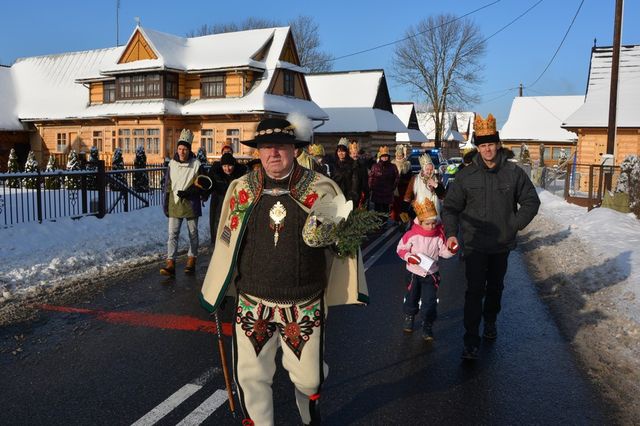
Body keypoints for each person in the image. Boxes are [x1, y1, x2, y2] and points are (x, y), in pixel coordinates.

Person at [200, 114, 368, 426]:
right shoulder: (241, 189)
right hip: (253, 300)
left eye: (281, 146)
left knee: (309, 380)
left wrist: (332, 234)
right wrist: (220, 286)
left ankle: (311, 401)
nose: (273, 153)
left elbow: (341, 244)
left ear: (295, 149)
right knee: (251, 377)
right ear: (257, 151)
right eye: (265, 147)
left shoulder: (322, 189)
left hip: (302, 301)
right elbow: (226, 240)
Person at [442, 113, 540, 360]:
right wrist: (452, 234)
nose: (487, 149)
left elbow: (531, 201)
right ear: (478, 146)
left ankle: (491, 320)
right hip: (474, 244)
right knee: (474, 291)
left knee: (495, 288)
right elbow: (451, 207)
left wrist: (513, 225)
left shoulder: (513, 173)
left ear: (498, 144)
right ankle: (471, 340)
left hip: (500, 245)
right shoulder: (466, 175)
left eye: (491, 144)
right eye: (482, 145)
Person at [396, 198, 455, 340]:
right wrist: (409, 256)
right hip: (414, 273)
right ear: (420, 222)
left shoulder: (438, 237)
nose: (431, 226)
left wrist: (451, 250)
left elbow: (443, 252)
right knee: (412, 297)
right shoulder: (412, 235)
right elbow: (400, 249)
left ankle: (427, 325)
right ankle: (409, 316)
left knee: (430, 301)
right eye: (427, 223)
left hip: (431, 274)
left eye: (434, 223)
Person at [160, 129, 205, 276]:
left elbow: (203, 184)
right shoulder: (172, 164)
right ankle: (170, 262)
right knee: (172, 233)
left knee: (193, 233)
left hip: (191, 203)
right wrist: (166, 202)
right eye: (179, 149)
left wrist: (191, 192)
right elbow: (168, 184)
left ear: (189, 149)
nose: (182, 152)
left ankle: (192, 259)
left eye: (185, 149)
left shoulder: (196, 165)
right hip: (175, 202)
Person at [207, 152, 245, 248]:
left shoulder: (240, 174)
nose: (227, 169)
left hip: (234, 206)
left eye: (230, 166)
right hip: (220, 206)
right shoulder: (217, 175)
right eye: (224, 166)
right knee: (219, 226)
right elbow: (208, 186)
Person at [403, 152, 445, 220]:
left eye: (431, 169)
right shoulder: (415, 178)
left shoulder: (436, 179)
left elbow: (442, 195)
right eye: (427, 169)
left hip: (435, 212)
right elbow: (408, 195)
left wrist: (435, 185)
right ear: (423, 169)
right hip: (419, 211)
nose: (429, 171)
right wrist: (404, 209)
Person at [368, 146, 398, 218]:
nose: (385, 158)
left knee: (386, 210)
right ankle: (377, 225)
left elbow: (396, 177)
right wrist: (371, 187)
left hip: (387, 192)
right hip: (377, 192)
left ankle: (385, 225)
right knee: (377, 210)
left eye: (386, 156)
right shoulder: (375, 166)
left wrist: (392, 188)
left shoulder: (393, 166)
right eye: (383, 156)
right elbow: (371, 177)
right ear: (380, 157)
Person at [331, 138, 361, 204]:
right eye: (339, 151)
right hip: (336, 196)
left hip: (348, 197)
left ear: (347, 152)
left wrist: (352, 198)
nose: (340, 153)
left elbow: (355, 182)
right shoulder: (334, 165)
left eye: (343, 151)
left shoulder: (353, 165)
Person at [391, 144, 412, 222]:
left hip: (403, 188)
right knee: (395, 205)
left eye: (401, 155)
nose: (399, 157)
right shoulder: (392, 163)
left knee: (403, 205)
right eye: (398, 155)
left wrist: (403, 181)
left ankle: (403, 220)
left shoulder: (407, 164)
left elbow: (409, 176)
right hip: (394, 188)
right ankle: (395, 220)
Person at [349, 141, 370, 208]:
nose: (355, 155)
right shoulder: (347, 164)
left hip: (359, 192)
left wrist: (366, 193)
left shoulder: (362, 164)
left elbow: (365, 179)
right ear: (350, 154)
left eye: (356, 153)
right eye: (353, 153)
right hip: (349, 193)